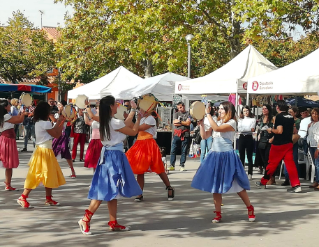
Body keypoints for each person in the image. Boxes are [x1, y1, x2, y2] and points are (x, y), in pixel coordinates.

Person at [78, 96, 142, 235]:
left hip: (108, 156)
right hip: (114, 157)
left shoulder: (103, 121)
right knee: (106, 189)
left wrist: (133, 110)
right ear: (111, 107)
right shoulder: (114, 122)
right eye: (115, 104)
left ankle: (113, 222)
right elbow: (133, 131)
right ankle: (85, 218)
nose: (117, 106)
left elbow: (123, 123)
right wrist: (139, 118)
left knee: (113, 191)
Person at [192, 102, 255, 223]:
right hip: (215, 155)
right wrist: (201, 125)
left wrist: (208, 115)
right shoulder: (217, 121)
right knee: (215, 186)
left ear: (228, 110)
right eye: (219, 108)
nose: (219, 110)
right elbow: (205, 136)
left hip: (227, 156)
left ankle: (250, 208)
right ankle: (218, 213)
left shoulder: (232, 122)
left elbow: (216, 129)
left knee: (238, 185)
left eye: (221, 109)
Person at [17, 102, 66, 208]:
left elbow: (55, 132)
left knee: (46, 174)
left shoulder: (39, 122)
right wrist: (60, 122)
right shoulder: (45, 123)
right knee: (39, 174)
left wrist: (59, 122)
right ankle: (23, 197)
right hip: (45, 151)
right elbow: (57, 135)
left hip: (41, 150)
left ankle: (48, 198)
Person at [126, 108, 175, 202]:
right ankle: (139, 193)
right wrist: (128, 118)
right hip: (139, 144)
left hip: (149, 144)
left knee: (159, 168)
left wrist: (137, 120)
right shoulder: (141, 118)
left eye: (142, 108)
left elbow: (138, 128)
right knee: (140, 170)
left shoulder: (151, 118)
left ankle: (169, 187)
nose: (140, 110)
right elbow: (134, 129)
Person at [256, 100, 301, 193]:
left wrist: (271, 130)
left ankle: (263, 182)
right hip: (288, 143)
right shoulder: (290, 117)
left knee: (271, 164)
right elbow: (294, 131)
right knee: (290, 165)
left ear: (277, 107)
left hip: (278, 144)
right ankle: (296, 185)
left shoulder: (279, 117)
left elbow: (279, 131)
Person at [0, 99, 26, 191]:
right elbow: (19, 120)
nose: (10, 106)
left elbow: (17, 119)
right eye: (8, 105)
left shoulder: (4, 116)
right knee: (9, 164)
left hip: (4, 140)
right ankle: (8, 184)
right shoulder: (6, 116)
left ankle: (8, 184)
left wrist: (21, 113)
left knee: (7, 164)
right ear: (5, 107)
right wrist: (23, 113)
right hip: (8, 141)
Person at [51, 101, 76, 178]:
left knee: (66, 152)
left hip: (62, 135)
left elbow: (68, 120)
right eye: (58, 105)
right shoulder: (56, 114)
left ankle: (72, 171)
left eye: (59, 104)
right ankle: (53, 171)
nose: (58, 106)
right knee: (53, 153)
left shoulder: (66, 115)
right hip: (56, 135)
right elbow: (54, 121)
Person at [282, 107, 301, 186]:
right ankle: (287, 178)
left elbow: (295, 131)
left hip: (293, 141)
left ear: (295, 113)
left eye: (291, 112)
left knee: (293, 160)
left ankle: (294, 178)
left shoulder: (298, 121)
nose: (289, 113)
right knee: (286, 160)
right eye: (288, 112)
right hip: (286, 141)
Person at [254, 104, 274, 178]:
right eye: (263, 109)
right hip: (261, 139)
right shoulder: (261, 118)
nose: (264, 110)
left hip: (269, 139)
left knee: (267, 158)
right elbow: (258, 128)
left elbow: (276, 128)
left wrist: (273, 138)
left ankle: (269, 176)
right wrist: (258, 134)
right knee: (263, 159)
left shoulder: (272, 118)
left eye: (265, 109)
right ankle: (266, 174)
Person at [170, 102, 191, 171]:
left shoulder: (188, 114)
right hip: (177, 134)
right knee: (173, 150)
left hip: (185, 134)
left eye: (181, 107)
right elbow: (175, 123)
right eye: (178, 108)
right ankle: (172, 165)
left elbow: (188, 123)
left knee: (184, 150)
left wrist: (180, 122)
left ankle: (182, 165)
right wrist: (184, 122)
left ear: (184, 106)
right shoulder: (176, 114)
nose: (180, 109)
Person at [238, 106, 256, 180]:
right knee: (241, 156)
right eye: (244, 111)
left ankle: (250, 172)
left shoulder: (253, 119)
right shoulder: (240, 120)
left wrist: (245, 129)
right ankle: (242, 173)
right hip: (242, 137)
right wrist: (246, 129)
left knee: (249, 156)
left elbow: (252, 129)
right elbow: (239, 129)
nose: (246, 112)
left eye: (247, 110)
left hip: (249, 137)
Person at [84, 104, 102, 172]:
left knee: (100, 159)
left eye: (98, 108)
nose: (96, 109)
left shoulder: (102, 118)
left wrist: (88, 109)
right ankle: (95, 175)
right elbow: (87, 122)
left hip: (100, 140)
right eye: (97, 108)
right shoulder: (95, 118)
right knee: (94, 160)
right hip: (94, 140)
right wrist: (85, 114)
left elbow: (92, 117)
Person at [307, 108, 319, 189]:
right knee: (315, 164)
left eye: (316, 113)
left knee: (318, 165)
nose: (314, 115)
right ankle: (317, 181)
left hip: (317, 145)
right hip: (311, 145)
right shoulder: (311, 124)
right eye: (313, 113)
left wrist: (318, 149)